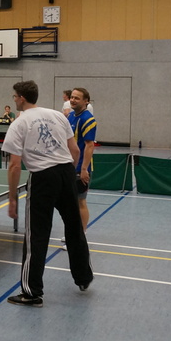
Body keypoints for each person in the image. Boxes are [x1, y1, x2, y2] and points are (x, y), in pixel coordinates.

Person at [2, 81, 93, 307]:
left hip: (42, 178)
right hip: (66, 173)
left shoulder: (19, 123)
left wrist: (12, 198)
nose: (14, 100)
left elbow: (14, 166)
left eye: (15, 96)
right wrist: (67, 172)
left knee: (37, 235)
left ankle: (32, 293)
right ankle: (84, 278)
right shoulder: (58, 115)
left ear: (22, 98)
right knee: (74, 228)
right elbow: (75, 150)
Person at [68, 87, 97, 232]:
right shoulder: (70, 116)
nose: (73, 100)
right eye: (72, 97)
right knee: (70, 202)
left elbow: (89, 145)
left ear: (86, 101)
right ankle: (73, 233)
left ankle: (81, 235)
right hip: (69, 166)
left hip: (80, 168)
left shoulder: (88, 119)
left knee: (80, 202)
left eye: (77, 98)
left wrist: (84, 169)